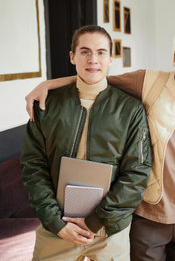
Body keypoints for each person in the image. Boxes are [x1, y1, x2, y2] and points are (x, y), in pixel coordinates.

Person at [25, 27, 175, 261]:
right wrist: (48, 85)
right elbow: (97, 77)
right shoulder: (148, 81)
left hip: (132, 220)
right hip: (139, 212)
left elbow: (135, 171)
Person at [20, 25, 152, 261]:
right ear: (72, 56)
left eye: (101, 52)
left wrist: (96, 221)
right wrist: (54, 221)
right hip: (57, 227)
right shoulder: (46, 106)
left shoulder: (131, 110)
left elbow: (137, 173)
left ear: (111, 59)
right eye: (85, 52)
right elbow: (33, 167)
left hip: (109, 229)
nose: (93, 59)